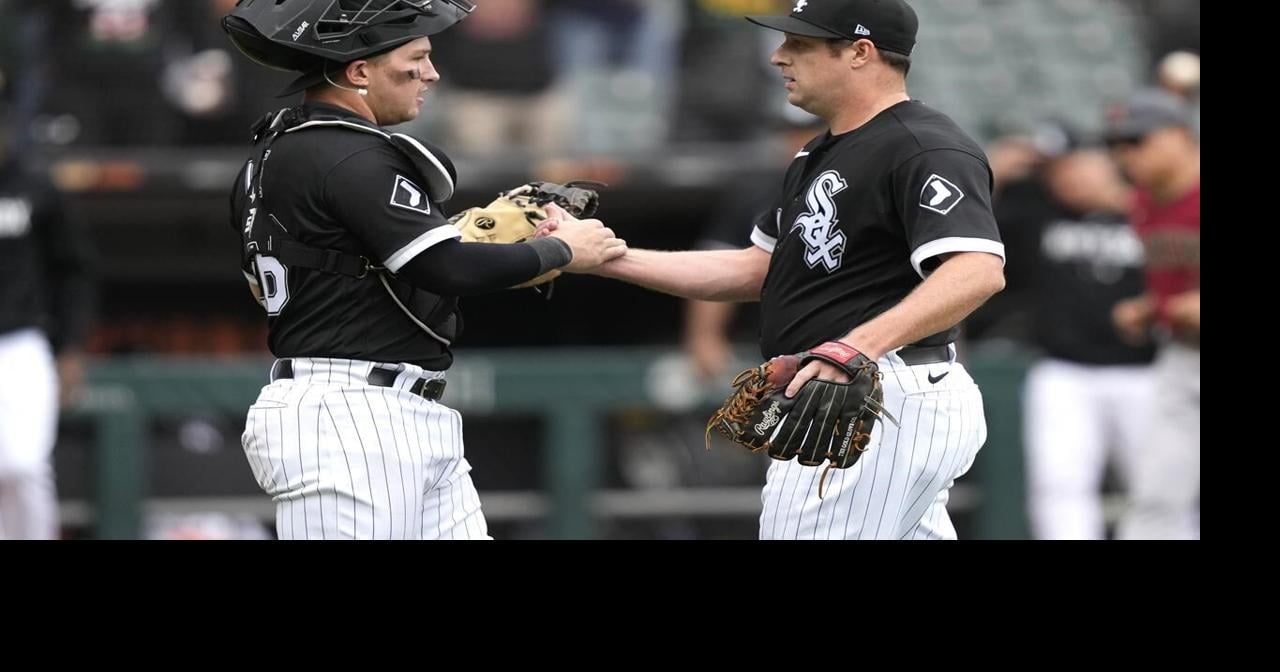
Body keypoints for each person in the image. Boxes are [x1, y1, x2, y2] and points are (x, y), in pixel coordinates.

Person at [577, 0, 1006, 539]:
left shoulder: (923, 145)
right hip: (855, 386)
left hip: (878, 390)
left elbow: (977, 269)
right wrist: (607, 257)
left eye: (799, 44)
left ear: (859, 52)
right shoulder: (817, 155)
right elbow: (757, 269)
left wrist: (856, 347)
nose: (779, 57)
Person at [222, 0, 625, 540]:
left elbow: (285, 282)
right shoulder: (347, 153)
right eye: (416, 57)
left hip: (391, 408)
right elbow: (449, 267)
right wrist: (563, 251)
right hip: (350, 418)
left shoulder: (276, 153)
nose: (431, 73)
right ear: (360, 70)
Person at [981, 122, 1155, 540]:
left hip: (1146, 370)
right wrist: (991, 173)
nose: (1068, 177)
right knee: (1059, 485)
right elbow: (971, 235)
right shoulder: (1037, 214)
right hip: (1064, 371)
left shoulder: (1150, 207)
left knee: (1155, 488)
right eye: (1055, 171)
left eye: (1077, 165)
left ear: (1105, 161)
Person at [0, 85, 96, 540]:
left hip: (20, 342)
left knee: (21, 465)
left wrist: (72, 346)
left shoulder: (36, 187)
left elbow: (74, 271)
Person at [1105, 89, 1200, 540]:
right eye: (1120, 144)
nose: (1127, 154)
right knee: (1156, 494)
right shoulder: (1143, 200)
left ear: (1181, 135)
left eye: (1139, 141)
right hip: (1182, 357)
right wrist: (1150, 308)